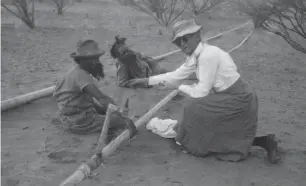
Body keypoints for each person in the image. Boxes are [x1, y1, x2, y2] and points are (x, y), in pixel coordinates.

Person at [128, 19, 281, 163]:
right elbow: (175, 75)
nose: (182, 44)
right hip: (229, 97)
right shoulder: (197, 56)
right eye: (179, 41)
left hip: (239, 100)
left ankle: (192, 143)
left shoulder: (208, 55)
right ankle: (265, 141)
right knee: (205, 117)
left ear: (197, 36)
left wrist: (178, 87)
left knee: (194, 108)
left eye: (186, 39)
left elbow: (201, 92)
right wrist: (146, 81)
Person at [53, 39, 133, 138]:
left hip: (67, 115)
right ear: (81, 60)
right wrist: (121, 115)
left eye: (97, 58)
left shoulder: (76, 71)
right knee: (120, 121)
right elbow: (102, 99)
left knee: (106, 111)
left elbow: (89, 100)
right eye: (92, 59)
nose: (96, 62)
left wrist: (106, 109)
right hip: (77, 120)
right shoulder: (82, 76)